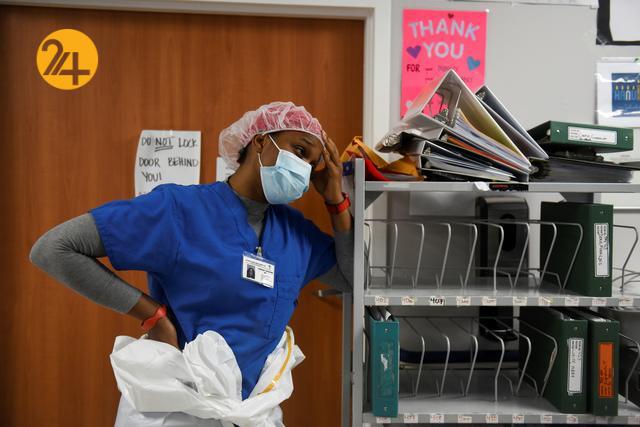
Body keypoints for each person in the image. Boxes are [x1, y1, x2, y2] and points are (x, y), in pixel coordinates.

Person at [29, 101, 354, 424]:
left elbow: (352, 279)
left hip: (252, 411)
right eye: (299, 151)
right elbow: (54, 249)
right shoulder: (178, 210)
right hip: (178, 407)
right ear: (260, 141)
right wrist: (153, 317)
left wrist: (335, 200)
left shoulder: (296, 234)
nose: (303, 168)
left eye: (311, 163)